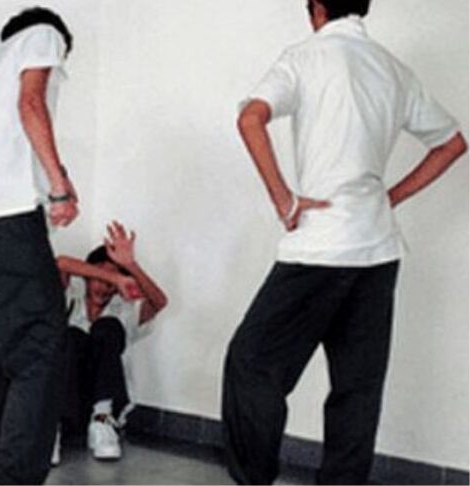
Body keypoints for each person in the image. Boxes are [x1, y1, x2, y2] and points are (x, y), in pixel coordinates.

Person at [222, 0, 467, 484]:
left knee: (251, 363)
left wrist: (284, 200)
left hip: (322, 245)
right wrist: (387, 197)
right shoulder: (393, 69)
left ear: (316, 7)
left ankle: (252, 480)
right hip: (378, 249)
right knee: (357, 389)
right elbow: (452, 143)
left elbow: (251, 118)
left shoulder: (304, 57)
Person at [0, 6, 80, 485]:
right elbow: (32, 103)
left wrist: (57, 175)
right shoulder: (43, 33)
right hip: (10, 222)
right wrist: (59, 186)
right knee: (40, 351)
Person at [53, 221, 168, 464]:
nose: (105, 288)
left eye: (111, 284)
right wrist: (114, 276)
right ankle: (52, 428)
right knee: (72, 336)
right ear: (88, 277)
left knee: (108, 328)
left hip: (108, 404)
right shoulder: (71, 299)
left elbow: (159, 301)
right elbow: (60, 263)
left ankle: (102, 421)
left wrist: (130, 266)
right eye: (100, 278)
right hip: (68, 401)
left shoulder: (123, 310)